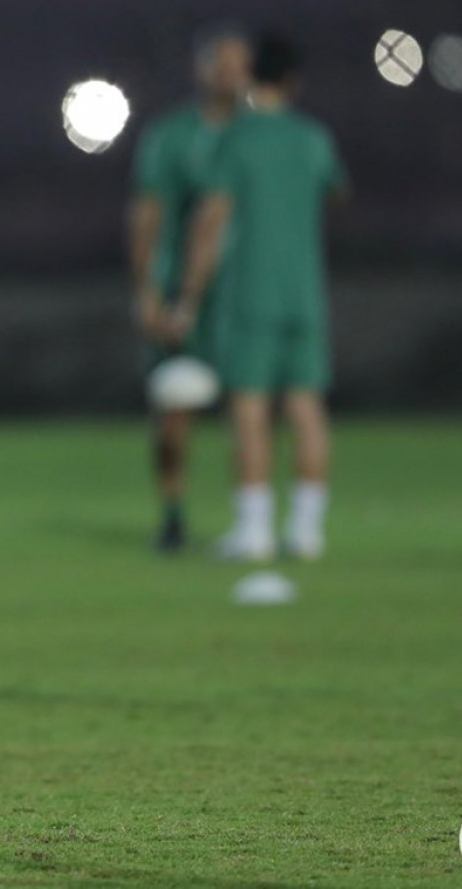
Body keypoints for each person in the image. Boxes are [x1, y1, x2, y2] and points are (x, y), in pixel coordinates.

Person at [173, 33, 347, 561]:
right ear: (293, 81)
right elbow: (336, 193)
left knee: (249, 411)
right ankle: (307, 530)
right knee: (307, 409)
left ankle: (254, 533)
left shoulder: (237, 139)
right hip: (304, 295)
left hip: (250, 293)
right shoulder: (313, 138)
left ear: (250, 77)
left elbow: (210, 219)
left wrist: (189, 294)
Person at [129, 29, 251, 550]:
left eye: (239, 65)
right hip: (183, 288)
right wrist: (149, 290)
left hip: (247, 292)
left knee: (252, 405)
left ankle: (254, 519)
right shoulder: (171, 136)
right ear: (202, 72)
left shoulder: (264, 135)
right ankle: (173, 512)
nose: (230, 74)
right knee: (174, 405)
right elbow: (147, 213)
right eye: (220, 64)